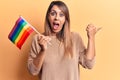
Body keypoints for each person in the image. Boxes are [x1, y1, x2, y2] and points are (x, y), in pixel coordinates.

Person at [27, 0, 101, 80]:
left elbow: (89, 64)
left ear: (66, 19)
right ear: (48, 17)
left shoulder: (75, 38)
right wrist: (42, 50)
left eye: (61, 14)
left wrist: (91, 38)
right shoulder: (38, 39)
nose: (56, 18)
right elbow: (33, 71)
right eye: (53, 13)